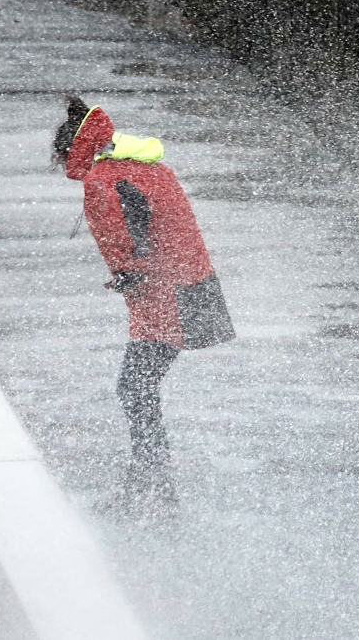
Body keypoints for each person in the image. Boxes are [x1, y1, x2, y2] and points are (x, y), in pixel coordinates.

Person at [52, 96, 234, 514]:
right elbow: (155, 221)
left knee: (135, 389)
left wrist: (131, 270)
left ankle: (155, 490)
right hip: (191, 285)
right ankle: (149, 485)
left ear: (71, 149)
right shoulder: (146, 166)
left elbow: (136, 227)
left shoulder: (105, 178)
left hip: (165, 296)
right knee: (139, 389)